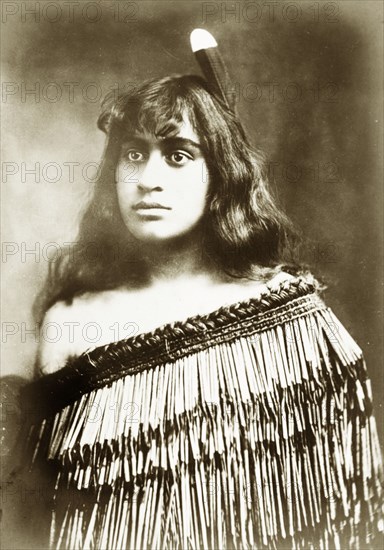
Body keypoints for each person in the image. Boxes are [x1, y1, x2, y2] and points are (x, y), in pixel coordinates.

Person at [13, 37, 383, 550]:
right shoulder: (70, 321)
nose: (147, 180)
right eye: (134, 154)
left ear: (220, 178)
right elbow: (34, 517)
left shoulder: (290, 317)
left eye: (179, 156)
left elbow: (345, 511)